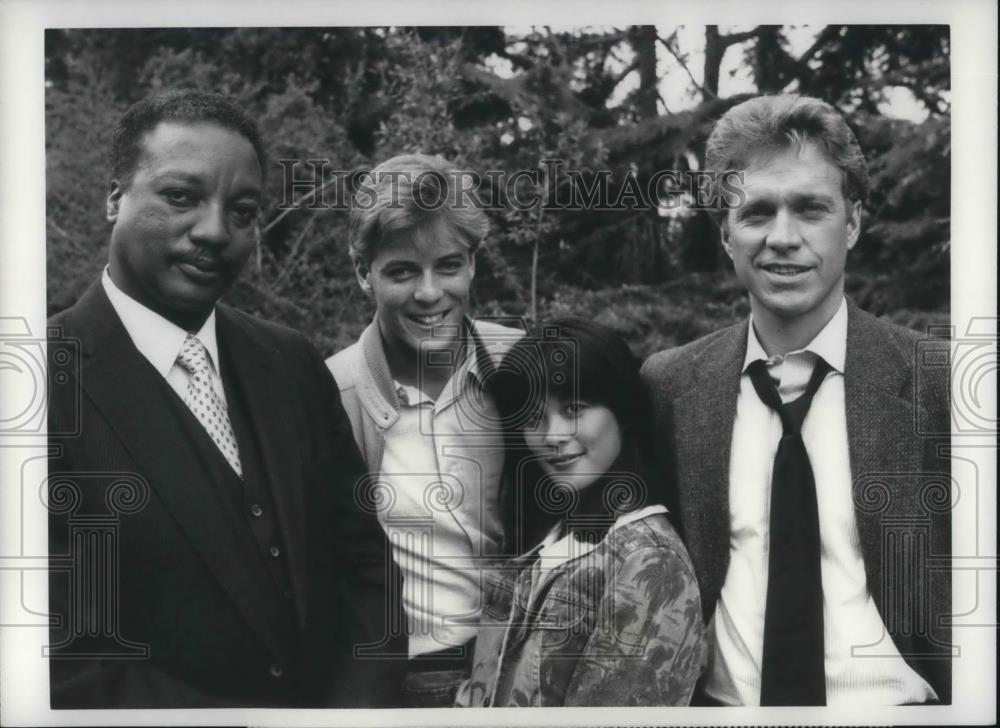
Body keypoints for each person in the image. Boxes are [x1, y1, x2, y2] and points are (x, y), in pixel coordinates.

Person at [46, 90, 403, 708]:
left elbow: (366, 568)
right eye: (180, 196)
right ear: (114, 198)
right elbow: (58, 654)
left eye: (242, 210)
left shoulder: (291, 361)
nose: (215, 230)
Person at [641, 94, 951, 706]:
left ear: (853, 222)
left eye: (811, 209)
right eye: (756, 212)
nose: (783, 238)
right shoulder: (669, 387)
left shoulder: (941, 382)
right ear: (725, 233)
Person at [326, 153, 523, 707]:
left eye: (449, 265)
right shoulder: (327, 393)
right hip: (397, 680)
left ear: (473, 264)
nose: (430, 293)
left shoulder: (521, 366)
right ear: (363, 271)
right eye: (402, 271)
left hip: (520, 663)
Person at [455, 317, 706, 707]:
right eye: (534, 416)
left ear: (622, 412)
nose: (552, 435)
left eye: (574, 408)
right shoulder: (542, 533)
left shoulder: (648, 561)